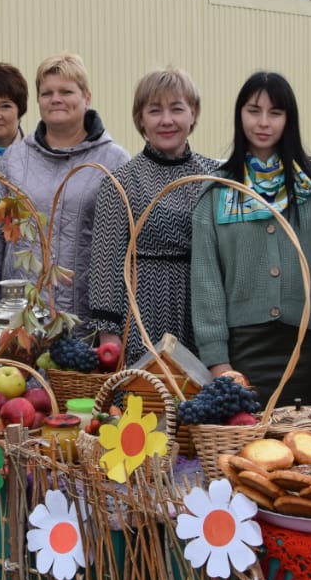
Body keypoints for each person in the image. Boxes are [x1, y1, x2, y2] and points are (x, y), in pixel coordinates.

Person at [190, 72, 311, 407]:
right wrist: (219, 362)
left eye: (275, 113)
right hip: (242, 348)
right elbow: (206, 281)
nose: (263, 122)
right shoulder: (218, 190)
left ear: (289, 119)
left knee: (307, 447)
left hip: (310, 346)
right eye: (253, 110)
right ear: (239, 115)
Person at [0, 53, 129, 326]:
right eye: (47, 93)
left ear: (87, 97)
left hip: (86, 317)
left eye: (66, 91)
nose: (56, 99)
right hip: (21, 316)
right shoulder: (14, 160)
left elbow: (127, 247)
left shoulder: (115, 161)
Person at [86, 67, 219, 364]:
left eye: (177, 109)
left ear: (193, 113)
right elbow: (105, 266)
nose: (166, 120)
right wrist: (109, 336)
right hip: (143, 312)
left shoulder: (215, 176)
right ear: (141, 119)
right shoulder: (121, 182)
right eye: (155, 110)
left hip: (204, 312)